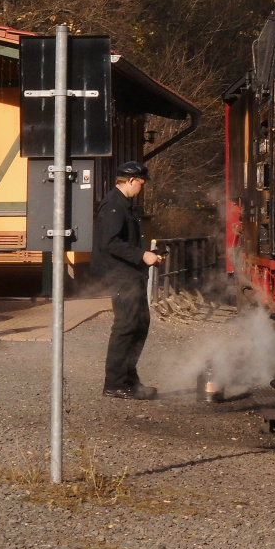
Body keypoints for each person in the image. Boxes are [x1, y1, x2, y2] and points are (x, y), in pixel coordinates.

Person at [94, 161, 164, 400]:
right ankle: (114, 383)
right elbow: (110, 243)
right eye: (142, 182)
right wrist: (142, 255)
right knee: (125, 328)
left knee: (139, 325)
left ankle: (129, 380)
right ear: (132, 180)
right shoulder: (114, 206)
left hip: (131, 273)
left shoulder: (123, 205)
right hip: (121, 275)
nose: (142, 187)